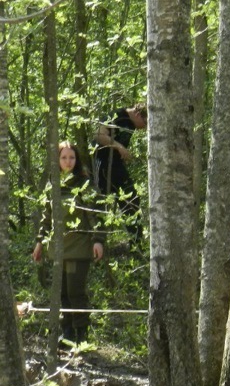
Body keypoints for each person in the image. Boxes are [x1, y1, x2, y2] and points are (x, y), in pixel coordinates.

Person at [33, 141, 105, 344]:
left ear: (77, 159)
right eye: (63, 158)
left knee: (75, 293)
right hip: (57, 250)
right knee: (62, 293)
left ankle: (81, 335)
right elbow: (46, 219)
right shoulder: (52, 184)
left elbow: (96, 216)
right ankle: (67, 335)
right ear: (57, 160)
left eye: (71, 157)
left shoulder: (84, 184)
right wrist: (40, 242)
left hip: (79, 249)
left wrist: (98, 240)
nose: (68, 162)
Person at [92, 103, 147, 237]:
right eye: (145, 123)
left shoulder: (132, 124)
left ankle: (136, 244)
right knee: (100, 202)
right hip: (101, 162)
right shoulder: (117, 116)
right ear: (138, 115)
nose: (145, 127)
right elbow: (98, 134)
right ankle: (98, 241)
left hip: (117, 165)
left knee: (131, 198)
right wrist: (118, 146)